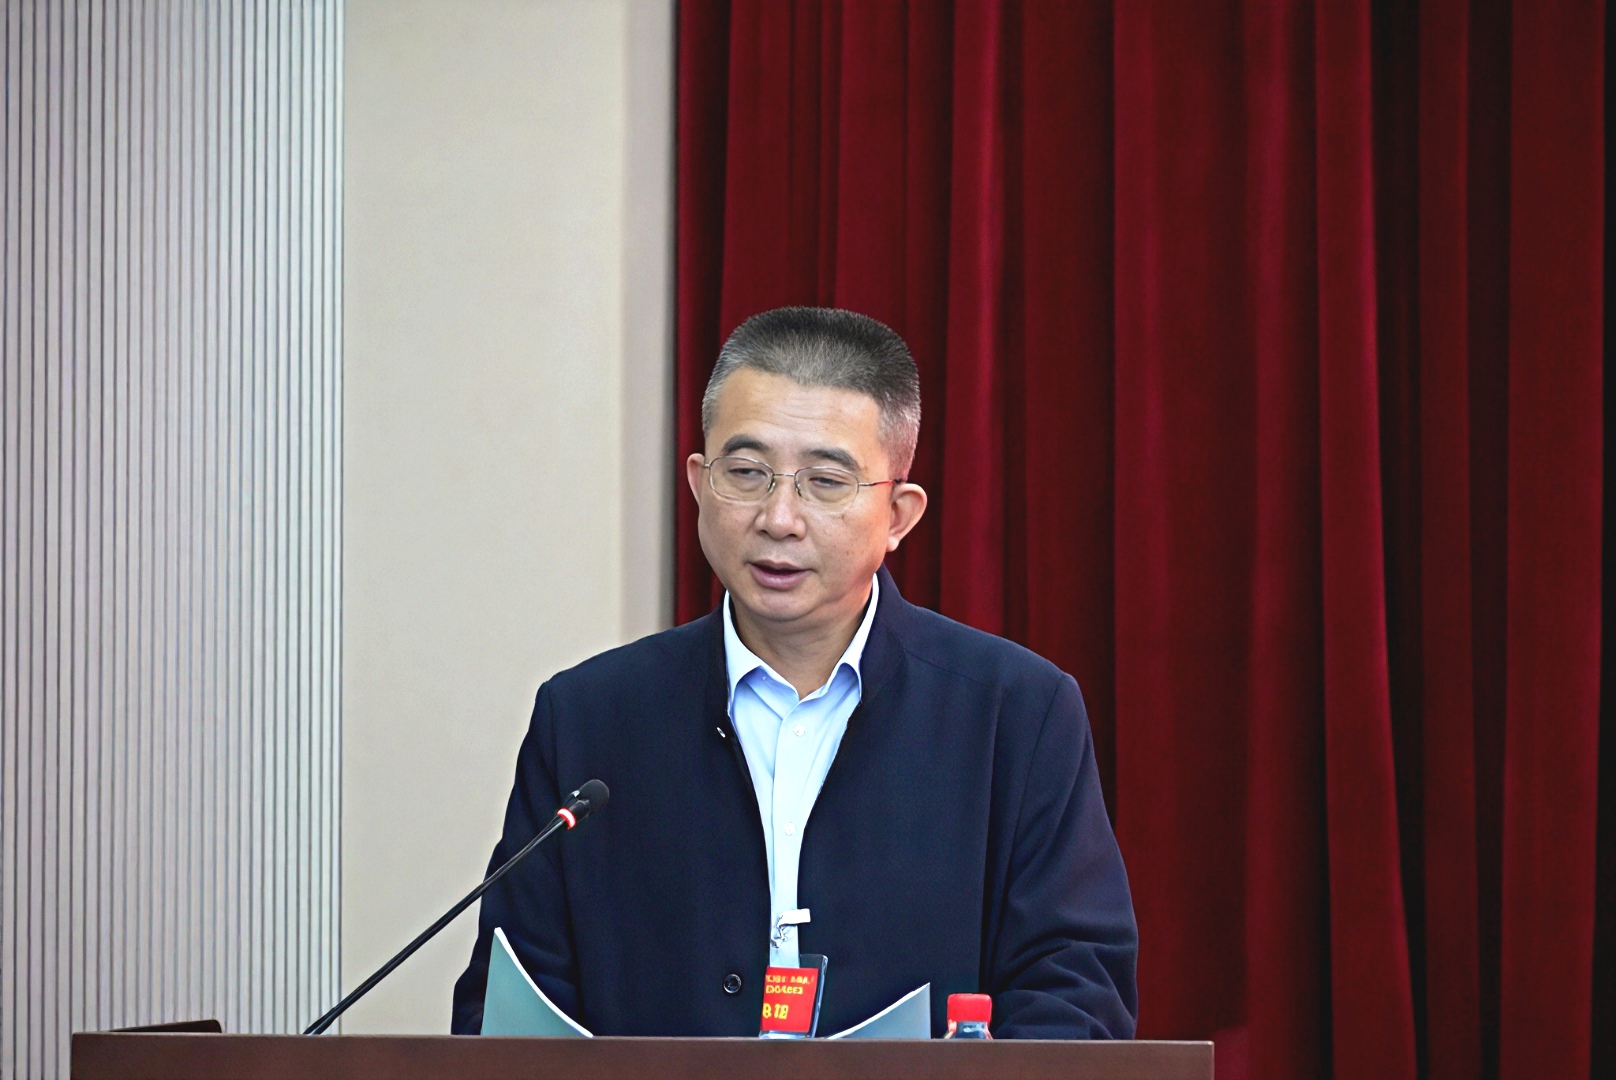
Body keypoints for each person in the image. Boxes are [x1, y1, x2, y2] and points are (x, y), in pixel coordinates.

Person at [451, 307, 1137, 1038]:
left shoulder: (1014, 715)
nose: (779, 517)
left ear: (899, 515)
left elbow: (1077, 995)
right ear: (699, 483)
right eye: (747, 473)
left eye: (826, 481)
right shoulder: (589, 719)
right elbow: (509, 1002)